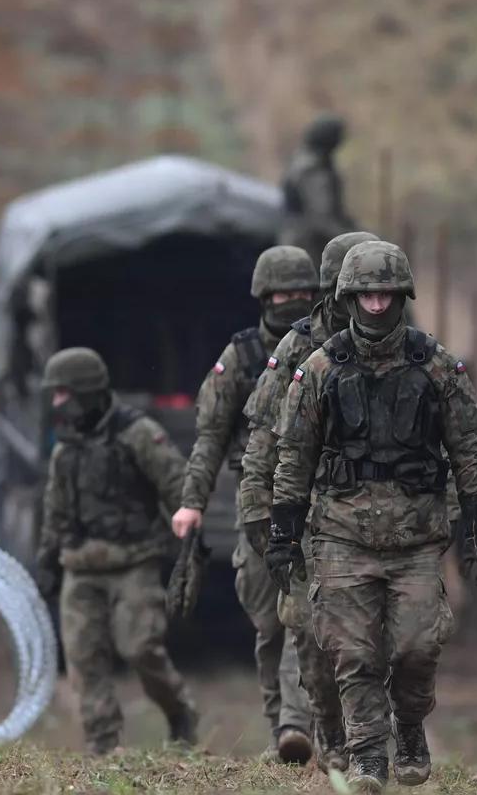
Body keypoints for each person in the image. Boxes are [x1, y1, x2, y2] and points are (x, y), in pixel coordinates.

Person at [268, 241, 477, 792]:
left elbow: (469, 449)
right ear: (350, 298)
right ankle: (369, 755)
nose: (376, 305)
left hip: (417, 540)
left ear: (402, 297)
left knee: (417, 648)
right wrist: (283, 533)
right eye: (367, 294)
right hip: (340, 537)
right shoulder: (320, 370)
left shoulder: (437, 367)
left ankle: (412, 727)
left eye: (386, 295)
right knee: (352, 653)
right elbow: (294, 456)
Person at [171, 245, 320, 763]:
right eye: (284, 294)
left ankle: (302, 727)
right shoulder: (240, 358)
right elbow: (209, 437)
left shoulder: (329, 349)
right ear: (264, 296)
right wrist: (192, 503)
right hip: (256, 503)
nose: (293, 302)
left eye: (303, 293)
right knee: (268, 620)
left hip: (317, 503)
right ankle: (283, 725)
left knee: (304, 613)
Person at [238, 230, 378, 772]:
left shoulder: (403, 350)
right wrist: (260, 510)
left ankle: (364, 744)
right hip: (308, 511)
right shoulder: (297, 347)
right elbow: (264, 438)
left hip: (375, 515)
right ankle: (314, 732)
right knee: (303, 626)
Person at [35, 347, 198, 755]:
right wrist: (47, 559)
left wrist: (190, 533)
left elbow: (177, 482)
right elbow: (55, 510)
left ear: (86, 392)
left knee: (141, 646)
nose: (57, 403)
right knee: (83, 656)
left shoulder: (137, 434)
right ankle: (103, 743)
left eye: (62, 394)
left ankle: (179, 711)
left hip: (133, 559)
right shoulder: (64, 450)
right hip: (81, 565)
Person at [279, 114, 355, 264]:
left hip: (297, 242)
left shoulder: (301, 160)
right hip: (308, 247)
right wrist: (353, 240)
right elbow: (322, 218)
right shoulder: (314, 170)